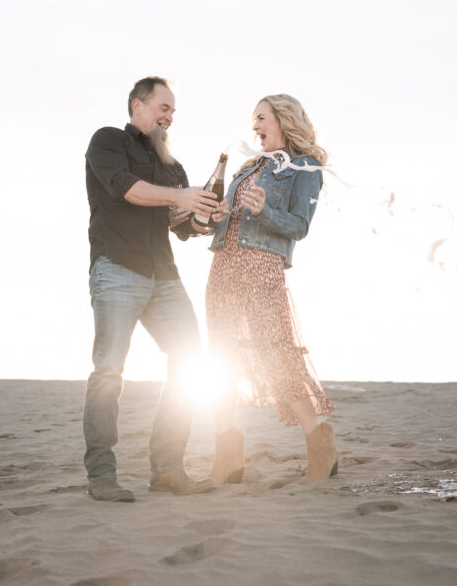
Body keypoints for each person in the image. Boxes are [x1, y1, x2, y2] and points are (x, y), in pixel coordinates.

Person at [83, 76, 218, 501]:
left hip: (165, 275)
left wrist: (207, 215)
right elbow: (129, 191)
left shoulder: (172, 166)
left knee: (190, 361)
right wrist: (181, 197)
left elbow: (183, 227)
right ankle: (102, 476)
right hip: (117, 269)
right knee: (108, 372)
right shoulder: (107, 141)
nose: (169, 117)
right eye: (163, 107)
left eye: (173, 111)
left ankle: (167, 469)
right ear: (137, 105)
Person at [204, 93, 337, 486]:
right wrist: (212, 215)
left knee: (275, 351)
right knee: (221, 355)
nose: (255, 127)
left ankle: (320, 444)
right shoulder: (247, 168)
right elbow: (224, 218)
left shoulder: (305, 168)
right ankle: (227, 456)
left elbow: (299, 225)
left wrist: (265, 211)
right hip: (223, 265)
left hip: (262, 267)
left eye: (261, 118)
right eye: (253, 121)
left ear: (283, 119)